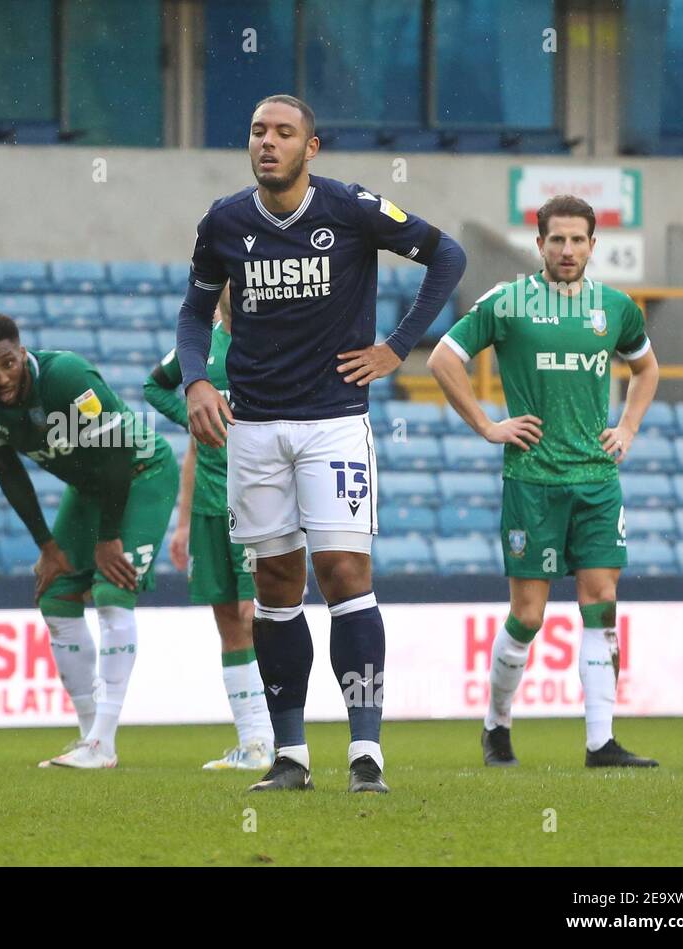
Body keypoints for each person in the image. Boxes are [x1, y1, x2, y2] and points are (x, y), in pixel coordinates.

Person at [177, 94, 467, 793]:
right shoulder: (225, 221)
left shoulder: (350, 208)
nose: (267, 142)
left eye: (283, 132)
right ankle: (291, 756)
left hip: (334, 421)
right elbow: (194, 312)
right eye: (257, 131)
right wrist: (195, 383)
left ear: (312, 148)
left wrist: (399, 347)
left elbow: (447, 256)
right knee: (275, 587)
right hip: (254, 427)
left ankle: (366, 752)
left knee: (342, 572)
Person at [427, 194, 661, 769]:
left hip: (596, 478)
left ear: (592, 245)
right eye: (556, 239)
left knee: (601, 601)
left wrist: (627, 427)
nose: (567, 250)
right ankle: (497, 725)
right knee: (528, 616)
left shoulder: (616, 308)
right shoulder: (508, 303)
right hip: (532, 480)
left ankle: (601, 742)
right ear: (539, 244)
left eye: (578, 239)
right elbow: (442, 358)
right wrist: (487, 424)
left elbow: (646, 367)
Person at [0, 313, 177, 769]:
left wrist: (109, 537)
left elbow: (118, 454)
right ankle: (89, 738)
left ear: (22, 353)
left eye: (7, 363)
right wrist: (46, 545)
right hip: (90, 487)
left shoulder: (67, 377)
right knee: (57, 596)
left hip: (140, 474)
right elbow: (8, 470)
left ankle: (103, 743)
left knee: (112, 590)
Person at [145, 286, 273, 770]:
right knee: (227, 621)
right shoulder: (198, 347)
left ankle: (281, 737)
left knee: (254, 617)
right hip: (207, 507)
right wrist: (196, 415)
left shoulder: (271, 338)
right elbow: (154, 386)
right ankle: (254, 742)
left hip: (261, 502)